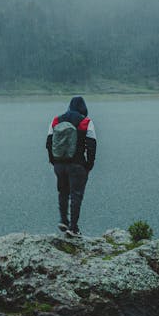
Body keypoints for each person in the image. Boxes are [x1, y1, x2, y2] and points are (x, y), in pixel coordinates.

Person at [46, 96, 97, 236]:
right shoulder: (86, 121)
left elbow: (49, 142)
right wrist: (88, 165)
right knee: (76, 195)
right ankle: (73, 228)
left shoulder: (56, 120)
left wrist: (54, 161)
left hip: (59, 164)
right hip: (77, 165)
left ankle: (63, 220)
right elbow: (92, 144)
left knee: (63, 192)